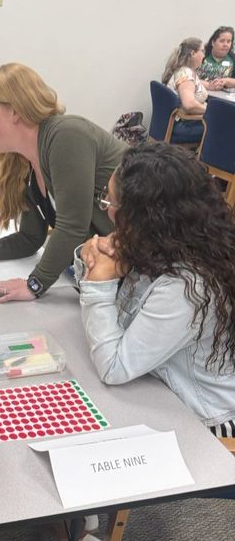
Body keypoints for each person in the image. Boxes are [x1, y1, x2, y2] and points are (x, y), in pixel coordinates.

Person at [77, 143, 235, 438]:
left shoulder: (187, 287)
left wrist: (99, 283)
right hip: (156, 391)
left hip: (204, 423)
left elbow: (114, 367)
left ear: (143, 216)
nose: (106, 210)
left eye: (110, 202)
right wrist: (90, 258)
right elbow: (111, 320)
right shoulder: (161, 244)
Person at [0, 63, 126, 301]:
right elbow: (30, 239)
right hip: (109, 272)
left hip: (145, 273)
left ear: (15, 111)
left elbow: (73, 226)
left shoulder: (66, 136)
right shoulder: (28, 162)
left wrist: (34, 285)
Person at [161, 38, 208, 143]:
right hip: (183, 126)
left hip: (176, 123)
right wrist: (212, 111)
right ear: (193, 53)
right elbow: (189, 105)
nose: (204, 55)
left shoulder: (183, 71)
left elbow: (191, 84)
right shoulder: (186, 74)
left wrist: (210, 85)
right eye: (202, 51)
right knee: (226, 127)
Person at [198, 26, 235, 90]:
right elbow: (187, 77)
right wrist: (208, 85)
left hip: (223, 95)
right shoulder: (201, 55)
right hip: (201, 92)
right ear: (213, 42)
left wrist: (226, 81)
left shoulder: (233, 59)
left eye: (228, 41)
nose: (225, 44)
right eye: (222, 41)